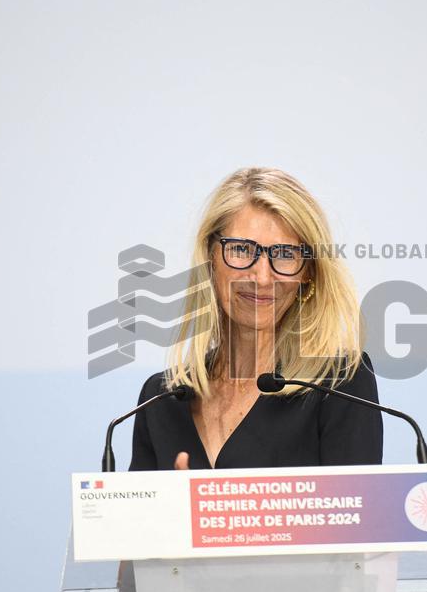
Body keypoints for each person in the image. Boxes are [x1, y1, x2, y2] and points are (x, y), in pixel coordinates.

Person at [128, 167, 383, 471]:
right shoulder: (161, 400)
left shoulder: (339, 384)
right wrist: (174, 501)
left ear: (309, 272)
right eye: (242, 250)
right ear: (210, 257)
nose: (262, 278)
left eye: (285, 254)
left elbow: (354, 502)